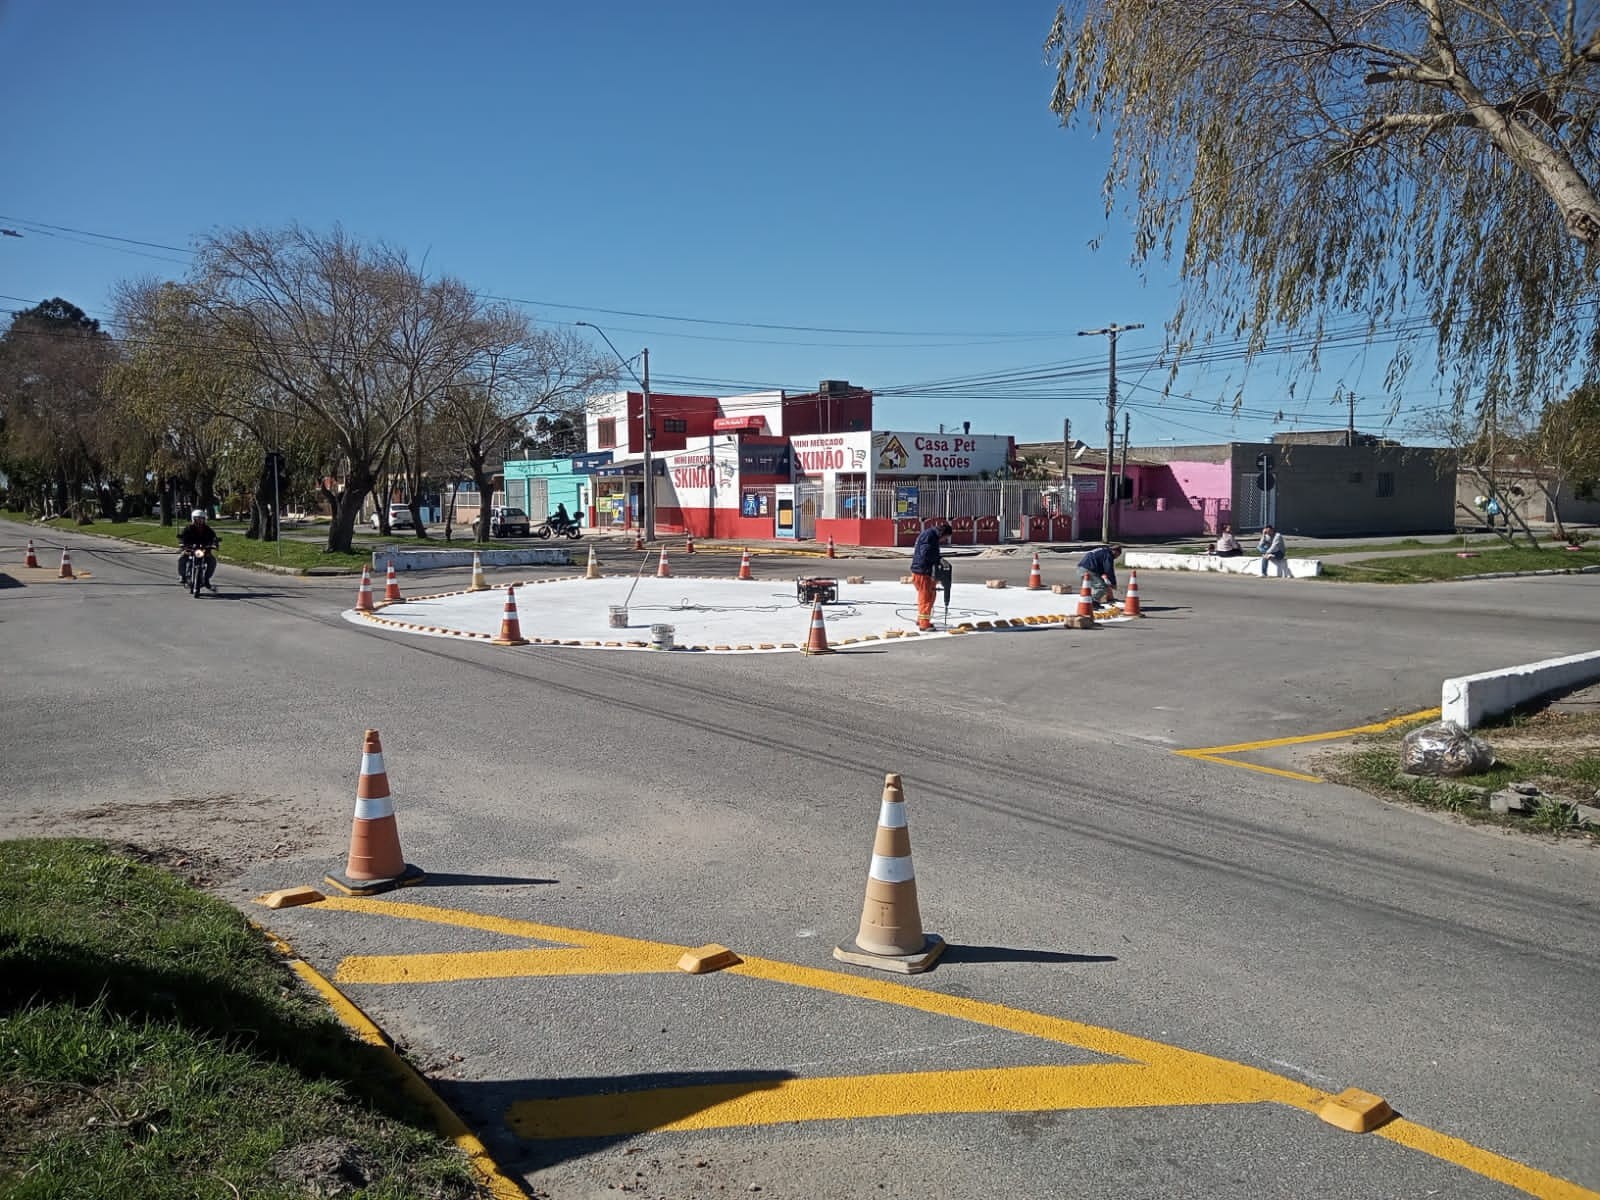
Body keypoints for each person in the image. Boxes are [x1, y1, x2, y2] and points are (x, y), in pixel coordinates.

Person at [910, 521, 953, 631]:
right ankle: (924, 624)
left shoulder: (930, 534)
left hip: (921, 570)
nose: (944, 541)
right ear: (942, 533)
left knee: (926, 596)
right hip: (923, 571)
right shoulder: (930, 536)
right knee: (926, 598)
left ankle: (921, 619)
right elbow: (926, 553)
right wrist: (938, 559)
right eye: (945, 538)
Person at [178, 508, 220, 590]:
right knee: (181, 558)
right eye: (197, 519)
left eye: (201, 519)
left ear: (204, 520)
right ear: (193, 519)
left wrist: (215, 544)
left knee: (212, 561)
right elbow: (182, 537)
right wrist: (182, 543)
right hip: (191, 549)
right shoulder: (188, 529)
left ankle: (206, 579)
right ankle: (182, 576)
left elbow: (214, 538)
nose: (199, 521)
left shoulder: (208, 530)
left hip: (204, 550)